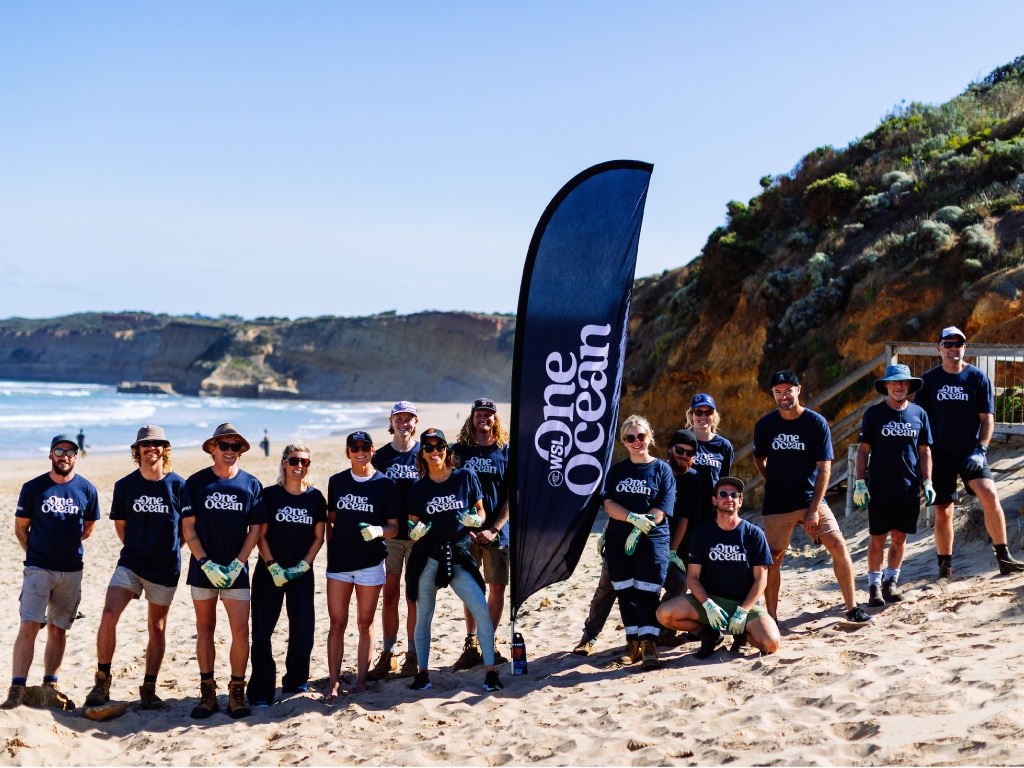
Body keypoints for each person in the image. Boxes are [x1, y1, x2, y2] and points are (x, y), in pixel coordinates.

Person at [753, 371, 872, 625]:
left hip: (810, 499)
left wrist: (814, 509)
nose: (783, 396)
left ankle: (852, 608)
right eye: (777, 392)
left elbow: (825, 468)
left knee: (838, 544)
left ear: (798, 389)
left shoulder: (815, 423)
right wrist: (773, 480)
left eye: (787, 390)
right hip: (777, 503)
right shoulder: (765, 424)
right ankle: (771, 619)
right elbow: (759, 459)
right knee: (772, 560)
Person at [84, 426, 185, 711]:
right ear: (137, 450)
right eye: (145, 444)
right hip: (130, 564)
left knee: (157, 627)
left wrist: (170, 550)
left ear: (164, 449)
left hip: (165, 568)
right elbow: (121, 527)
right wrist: (139, 549)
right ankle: (102, 681)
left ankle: (149, 688)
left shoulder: (179, 485)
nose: (151, 448)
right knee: (108, 614)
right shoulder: (125, 485)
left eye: (156, 444)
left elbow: (188, 530)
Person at [915, 326, 1024, 580]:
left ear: (965, 347)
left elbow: (987, 419)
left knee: (990, 494)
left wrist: (981, 450)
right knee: (944, 510)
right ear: (939, 348)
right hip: (939, 454)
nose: (953, 348)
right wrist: (921, 454)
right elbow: (920, 420)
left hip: (969, 452)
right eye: (948, 344)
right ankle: (945, 570)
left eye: (958, 344)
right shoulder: (928, 381)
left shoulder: (977, 377)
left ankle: (1004, 556)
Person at [2, 434, 99, 710]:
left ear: (76, 457)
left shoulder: (87, 489)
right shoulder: (33, 488)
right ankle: (16, 689)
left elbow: (88, 529)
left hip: (71, 571)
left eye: (70, 451)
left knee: (58, 629)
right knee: (29, 624)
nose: (64, 456)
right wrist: (34, 556)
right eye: (59, 450)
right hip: (38, 569)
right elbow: (21, 527)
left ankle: (50, 683)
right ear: (50, 455)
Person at [404, 428, 504, 692]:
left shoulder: (465, 477)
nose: (435, 452)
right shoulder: (418, 489)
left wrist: (477, 521)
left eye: (440, 446)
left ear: (447, 450)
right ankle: (423, 673)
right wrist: (414, 533)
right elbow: (412, 528)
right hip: (428, 556)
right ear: (422, 453)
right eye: (429, 447)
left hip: (459, 552)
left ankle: (490, 672)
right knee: (424, 614)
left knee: (480, 608)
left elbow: (480, 511)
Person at [181, 423, 266, 719]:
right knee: (204, 630)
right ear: (213, 449)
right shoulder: (195, 483)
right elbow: (188, 526)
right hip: (203, 568)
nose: (230, 451)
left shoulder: (251, 484)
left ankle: (236, 692)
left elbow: (256, 528)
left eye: (235, 447)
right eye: (225, 446)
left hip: (236, 570)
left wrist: (239, 562)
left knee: (241, 632)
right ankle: (207, 692)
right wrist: (205, 562)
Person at [657, 477, 780, 658]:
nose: (728, 497)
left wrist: (743, 611)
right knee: (664, 614)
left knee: (771, 644)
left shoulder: (754, 534)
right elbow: (692, 577)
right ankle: (709, 633)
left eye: (734, 495)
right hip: (710, 601)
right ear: (715, 500)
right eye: (723, 494)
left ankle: (742, 635)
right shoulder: (700, 533)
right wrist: (707, 604)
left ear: (740, 501)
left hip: (744, 604)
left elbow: (761, 579)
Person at [247, 442, 326, 706]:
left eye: (304, 461)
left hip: (301, 573)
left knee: (303, 630)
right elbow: (260, 534)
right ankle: (260, 690)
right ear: (284, 463)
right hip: (269, 572)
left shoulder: (316, 498)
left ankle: (295, 682)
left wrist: (304, 564)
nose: (299, 466)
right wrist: (272, 565)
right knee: (261, 631)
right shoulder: (270, 495)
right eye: (294, 461)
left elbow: (319, 537)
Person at [324, 432, 399, 700]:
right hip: (340, 565)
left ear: (372, 450)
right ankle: (333, 682)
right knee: (337, 624)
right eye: (354, 447)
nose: (360, 451)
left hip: (370, 563)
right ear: (348, 452)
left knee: (365, 623)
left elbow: (394, 527)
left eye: (365, 447)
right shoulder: (337, 482)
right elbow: (331, 520)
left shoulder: (385, 485)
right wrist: (332, 548)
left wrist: (378, 530)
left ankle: (360, 680)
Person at [854, 366, 934, 607]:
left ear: (909, 386)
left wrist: (928, 481)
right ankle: (874, 586)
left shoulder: (919, 414)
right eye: (894, 383)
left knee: (899, 537)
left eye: (903, 383)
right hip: (879, 487)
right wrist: (859, 482)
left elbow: (924, 451)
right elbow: (862, 450)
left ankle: (891, 583)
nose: (899, 387)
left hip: (908, 488)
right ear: (886, 386)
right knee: (877, 538)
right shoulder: (874, 414)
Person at [602, 415, 676, 671]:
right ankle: (632, 643)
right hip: (619, 540)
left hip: (652, 539)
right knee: (625, 592)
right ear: (624, 441)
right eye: (630, 438)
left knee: (647, 591)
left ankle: (649, 645)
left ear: (649, 438)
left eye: (641, 436)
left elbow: (661, 508)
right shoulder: (618, 470)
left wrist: (642, 527)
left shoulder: (662, 469)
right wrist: (631, 519)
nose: (636, 442)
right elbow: (609, 503)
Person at [451, 398, 510, 670]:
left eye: (488, 414)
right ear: (471, 418)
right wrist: (465, 527)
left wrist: (494, 527)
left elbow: (513, 496)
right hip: (465, 533)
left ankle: (490, 640)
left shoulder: (505, 452)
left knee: (496, 587)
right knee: (471, 588)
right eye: (479, 414)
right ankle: (472, 642)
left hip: (498, 531)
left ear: (495, 419)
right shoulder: (459, 452)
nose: (483, 418)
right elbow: (446, 489)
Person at [367, 401, 421, 680]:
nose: (404, 423)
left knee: (414, 598)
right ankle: (388, 654)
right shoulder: (381, 456)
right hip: (389, 538)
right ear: (391, 422)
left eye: (409, 418)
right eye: (399, 418)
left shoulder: (425, 453)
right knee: (389, 597)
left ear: (415, 422)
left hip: (417, 538)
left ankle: (412, 655)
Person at [686, 394, 734, 526]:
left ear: (714, 416)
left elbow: (724, 480)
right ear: (691, 415)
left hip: (711, 511)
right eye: (698, 412)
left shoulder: (724, 445)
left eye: (708, 412)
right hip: (684, 509)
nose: (703, 416)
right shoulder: (682, 442)